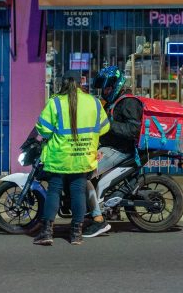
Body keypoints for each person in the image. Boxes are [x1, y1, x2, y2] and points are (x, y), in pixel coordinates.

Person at [33, 77, 110, 246]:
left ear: (63, 83)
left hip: (59, 156)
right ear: (81, 84)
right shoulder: (94, 102)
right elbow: (105, 127)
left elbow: (43, 130)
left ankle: (47, 232)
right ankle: (76, 234)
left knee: (54, 191)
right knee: (78, 192)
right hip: (83, 156)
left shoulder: (55, 103)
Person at [82, 66, 143, 238]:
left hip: (120, 150)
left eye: (108, 87)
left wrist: (108, 124)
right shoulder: (114, 102)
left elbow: (133, 130)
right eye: (104, 88)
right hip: (109, 147)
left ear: (116, 84)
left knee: (83, 172)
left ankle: (98, 220)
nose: (105, 91)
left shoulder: (128, 102)